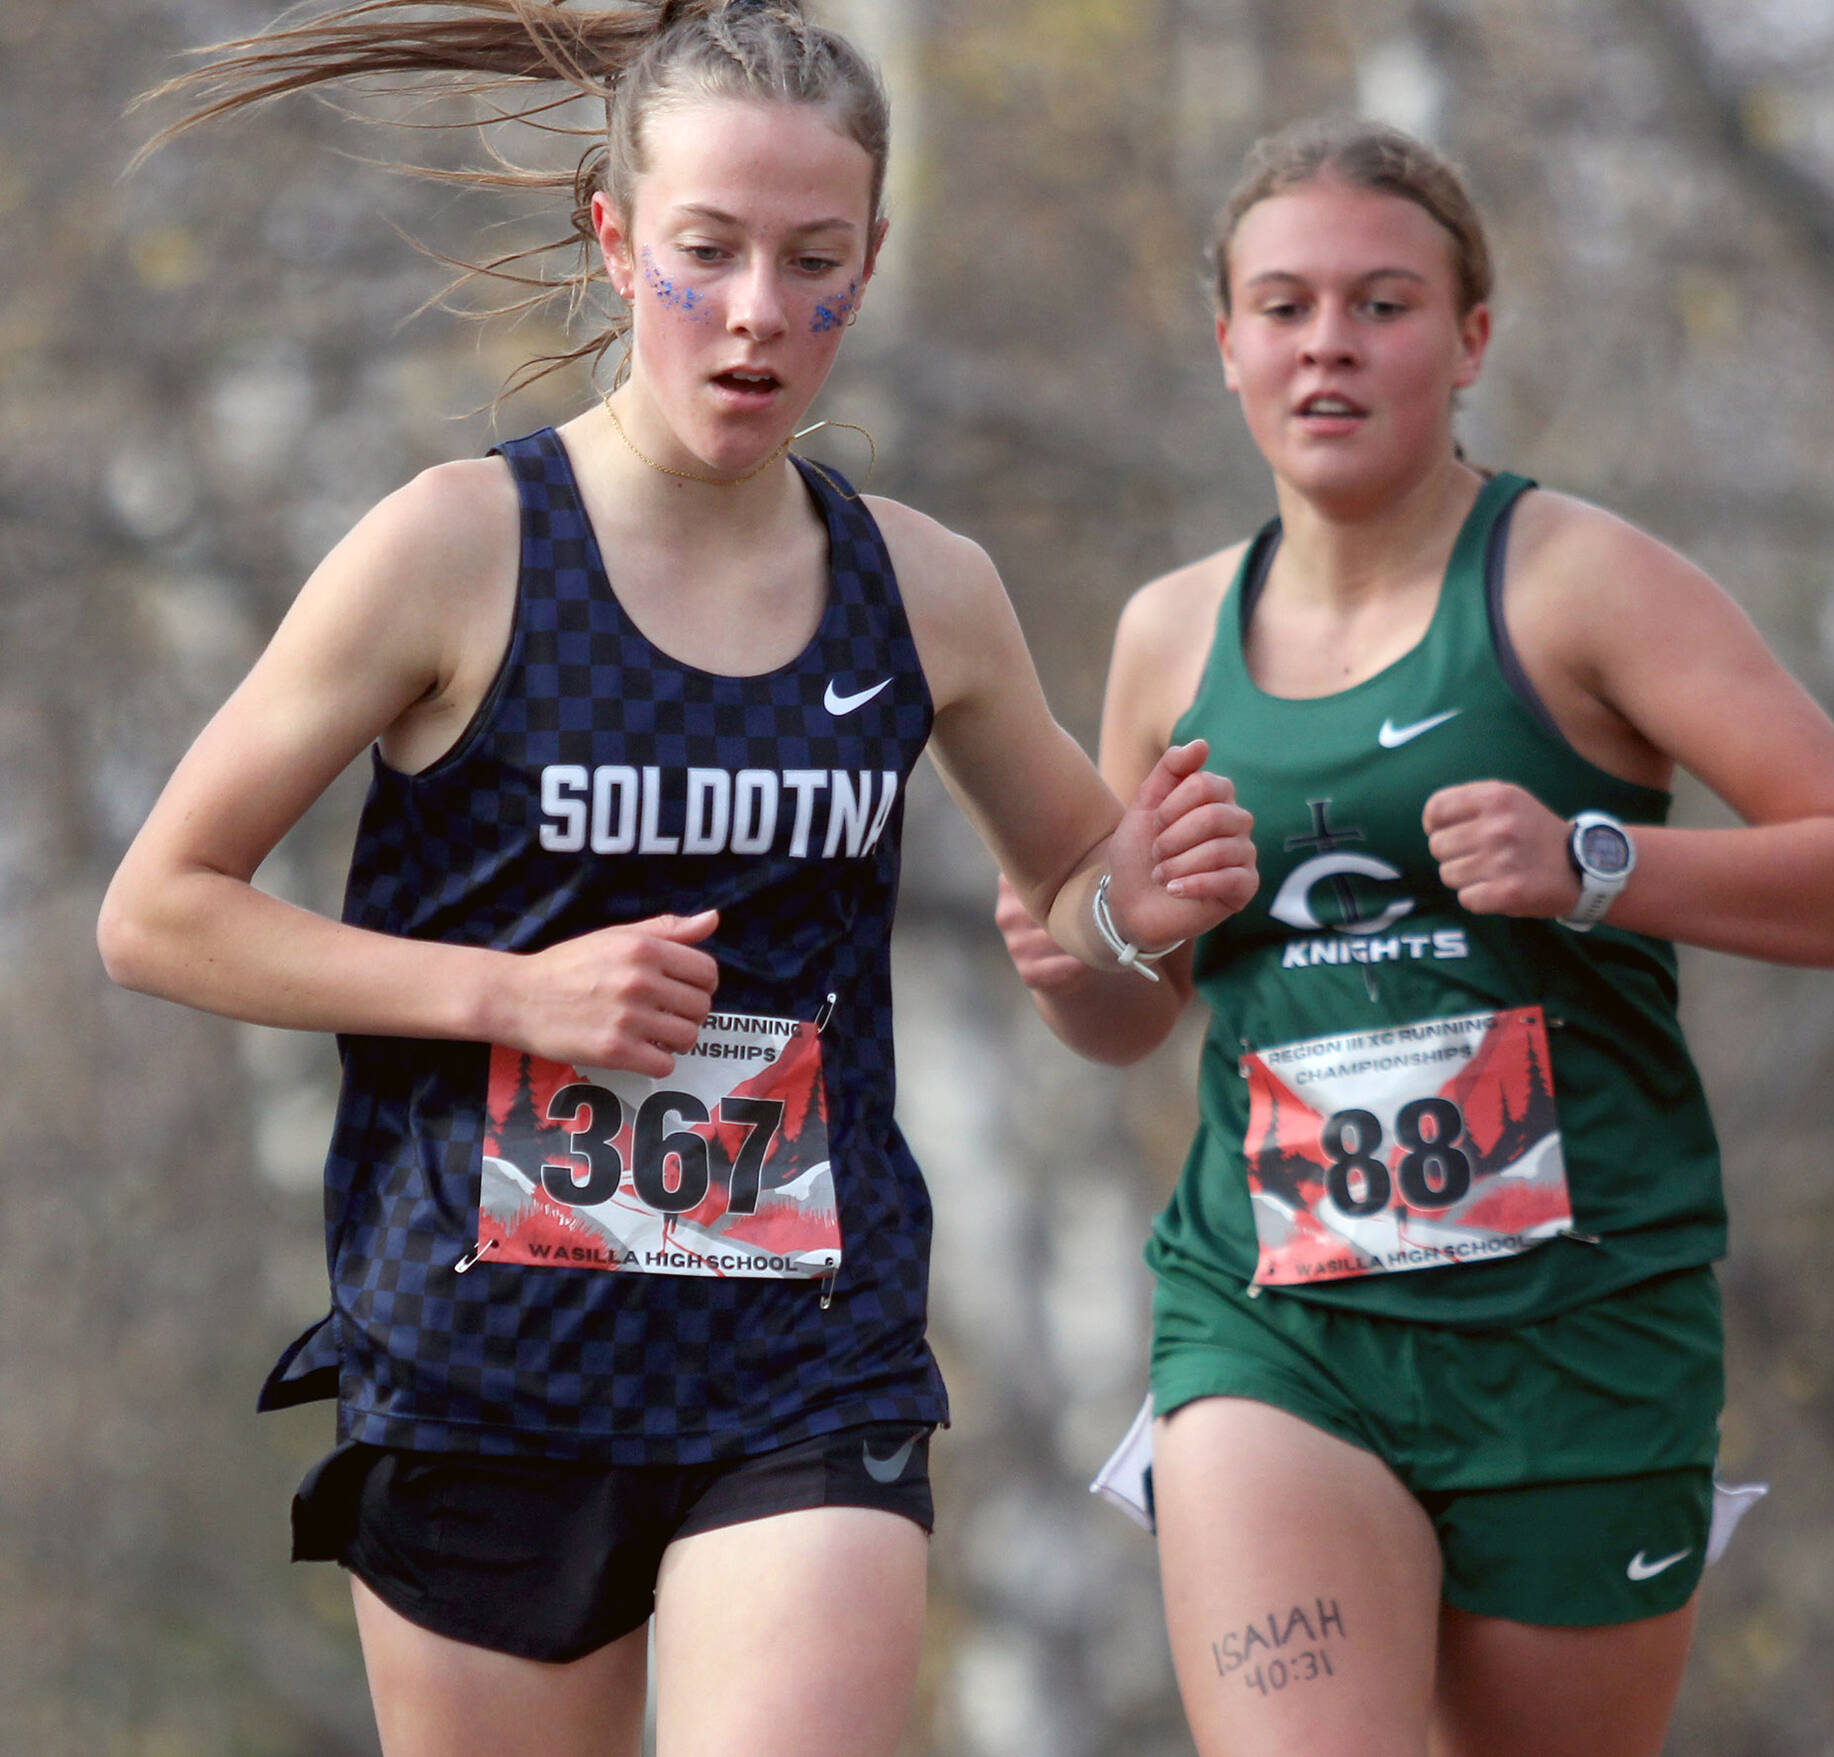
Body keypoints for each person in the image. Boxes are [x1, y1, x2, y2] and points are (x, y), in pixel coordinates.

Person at [98, 4, 1258, 1753]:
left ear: (873, 261)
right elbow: (159, 907)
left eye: (814, 263)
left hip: (807, 1355)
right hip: (488, 1361)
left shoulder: (923, 591)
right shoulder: (458, 546)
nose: (758, 316)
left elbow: (1108, 988)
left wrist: (1134, 918)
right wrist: (510, 992)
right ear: (616, 237)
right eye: (707, 254)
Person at [995, 115, 1834, 1757]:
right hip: (1275, 1317)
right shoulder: (1169, 635)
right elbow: (1127, 1016)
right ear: (1225, 343)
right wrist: (1098, 945)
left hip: (1578, 1333)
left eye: (1382, 302)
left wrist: (1594, 860)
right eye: (1283, 306)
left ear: (1470, 336)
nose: (1329, 345)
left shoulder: (1578, 581)